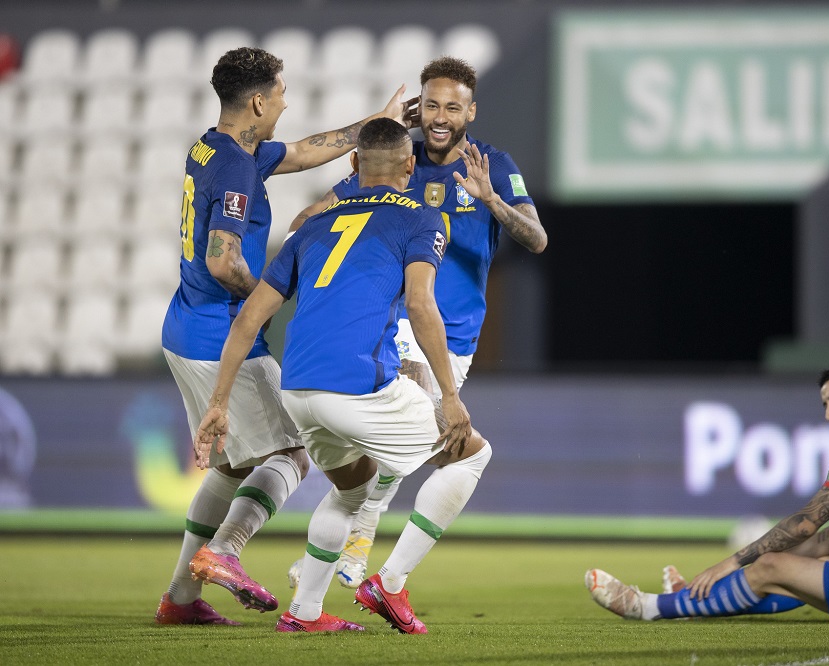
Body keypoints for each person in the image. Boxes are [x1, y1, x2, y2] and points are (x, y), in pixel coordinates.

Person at [193, 117, 493, 634]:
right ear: (409, 166)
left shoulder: (311, 225)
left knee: (354, 489)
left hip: (298, 389)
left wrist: (217, 402)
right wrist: (449, 395)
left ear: (353, 164)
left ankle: (305, 612)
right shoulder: (423, 219)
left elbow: (248, 318)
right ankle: (390, 583)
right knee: (472, 453)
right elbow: (421, 305)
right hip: (355, 385)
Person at [155, 46, 417, 626]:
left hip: (185, 323)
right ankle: (224, 552)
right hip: (218, 331)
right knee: (293, 452)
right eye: (279, 93)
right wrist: (268, 293)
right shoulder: (234, 168)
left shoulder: (217, 147)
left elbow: (302, 152)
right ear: (257, 100)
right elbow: (223, 260)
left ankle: (178, 600)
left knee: (230, 466)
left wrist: (378, 123)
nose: (285, 102)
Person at [286, 55, 547, 591]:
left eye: (453, 106)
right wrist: (361, 159)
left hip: (456, 334)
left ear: (471, 111)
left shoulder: (492, 165)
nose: (440, 116)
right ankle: (353, 554)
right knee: (398, 433)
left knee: (399, 446)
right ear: (418, 108)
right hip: (395, 321)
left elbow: (537, 239)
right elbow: (306, 222)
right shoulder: (395, 161)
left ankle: (338, 554)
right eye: (431, 104)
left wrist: (492, 200)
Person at [587, 359, 829, 624]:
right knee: (823, 558)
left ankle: (648, 606)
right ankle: (695, 602)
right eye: (824, 404)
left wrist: (730, 564)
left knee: (771, 566)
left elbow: (806, 524)